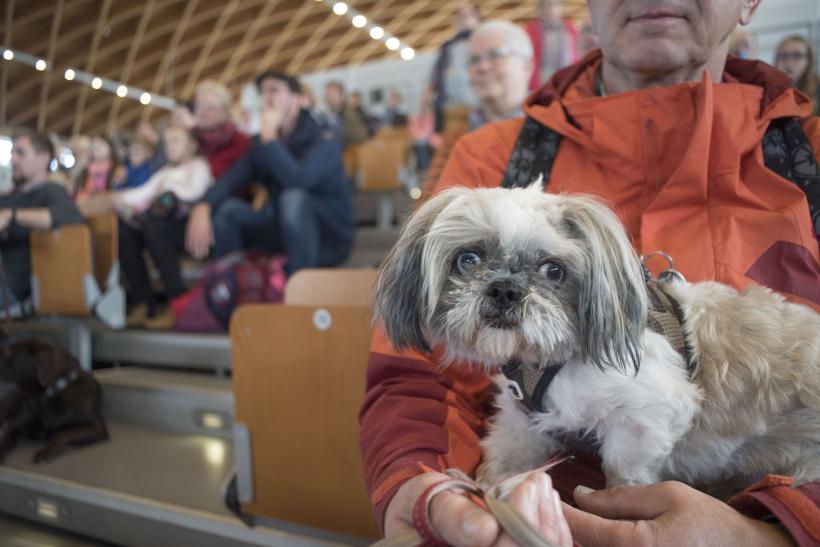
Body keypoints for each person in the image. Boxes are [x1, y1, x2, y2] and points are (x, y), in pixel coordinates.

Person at [360, 0, 820, 545]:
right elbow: (416, 378)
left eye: (552, 271)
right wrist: (424, 496)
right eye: (469, 261)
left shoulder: (806, 158)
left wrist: (773, 533)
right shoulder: (488, 160)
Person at [185, 70, 355, 274]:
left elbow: (299, 180)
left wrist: (270, 137)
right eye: (262, 92)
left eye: (274, 90)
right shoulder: (263, 142)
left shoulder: (325, 131)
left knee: (293, 198)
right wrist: (203, 205)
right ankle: (231, 288)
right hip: (284, 232)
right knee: (228, 211)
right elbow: (233, 178)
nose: (267, 97)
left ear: (298, 99)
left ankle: (298, 292)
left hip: (329, 237)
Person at [112, 127, 212, 329]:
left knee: (153, 227)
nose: (170, 147)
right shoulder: (166, 172)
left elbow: (194, 192)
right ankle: (144, 301)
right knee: (125, 231)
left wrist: (166, 191)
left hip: (187, 227)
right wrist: (116, 197)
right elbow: (141, 193)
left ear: (192, 145)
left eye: (176, 141)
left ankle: (177, 302)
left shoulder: (199, 166)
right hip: (161, 223)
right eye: (167, 143)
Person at [422, 19, 534, 195]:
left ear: (527, 66)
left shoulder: (554, 130)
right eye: (474, 60)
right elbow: (428, 212)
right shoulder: (454, 141)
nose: (482, 67)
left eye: (495, 55)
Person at [3, 130, 83, 305]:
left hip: (15, 284)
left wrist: (11, 215)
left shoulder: (51, 192)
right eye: (12, 154)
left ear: (43, 159)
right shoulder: (9, 197)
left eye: (20, 153)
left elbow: (69, 216)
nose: (13, 160)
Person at [173, 80, 251, 179]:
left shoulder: (240, 141)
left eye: (210, 108)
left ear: (225, 113)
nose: (203, 113)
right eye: (200, 106)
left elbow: (235, 182)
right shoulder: (191, 138)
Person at [430, 3, 481, 131]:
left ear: (477, 18)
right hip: (452, 107)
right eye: (460, 16)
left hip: (478, 105)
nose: (464, 19)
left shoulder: (484, 41)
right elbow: (437, 76)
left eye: (467, 15)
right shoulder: (447, 47)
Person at [525, 0, 580, 90]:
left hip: (567, 79)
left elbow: (577, 55)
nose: (551, 9)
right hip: (541, 81)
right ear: (539, 10)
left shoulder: (571, 29)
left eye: (555, 5)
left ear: (561, 8)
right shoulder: (531, 30)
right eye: (546, 6)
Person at [775, 35, 819, 115]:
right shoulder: (771, 91)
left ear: (809, 60)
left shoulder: (818, 89)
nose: (789, 62)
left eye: (797, 56)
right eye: (784, 56)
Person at [74, 135, 122, 204]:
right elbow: (79, 191)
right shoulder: (85, 170)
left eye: (100, 144)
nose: (96, 148)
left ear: (110, 147)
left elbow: (116, 193)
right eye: (93, 146)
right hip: (84, 205)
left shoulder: (118, 169)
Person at [323, 81, 369, 146]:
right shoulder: (326, 116)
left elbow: (359, 137)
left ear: (341, 96)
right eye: (327, 94)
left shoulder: (348, 114)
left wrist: (335, 133)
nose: (329, 97)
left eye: (333, 94)